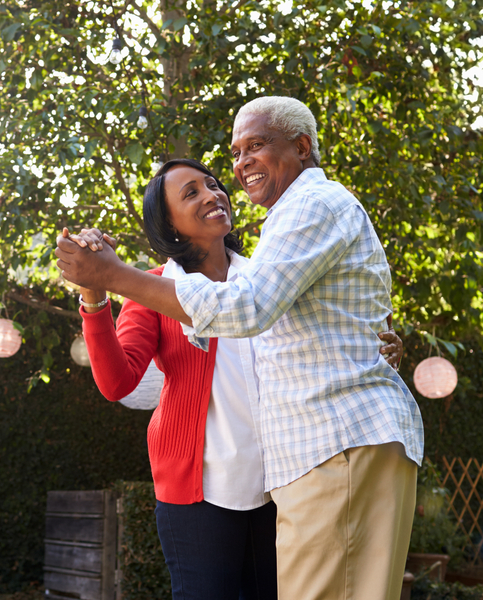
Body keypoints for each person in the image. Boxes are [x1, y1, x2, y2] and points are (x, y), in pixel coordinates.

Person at [56, 97, 424, 600]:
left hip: (280, 476)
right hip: (203, 491)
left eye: (211, 182)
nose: (213, 191)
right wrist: (98, 296)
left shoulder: (264, 274)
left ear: (300, 148)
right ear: (170, 226)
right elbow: (117, 382)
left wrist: (372, 346)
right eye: (191, 192)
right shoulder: (156, 289)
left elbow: (303, 320)